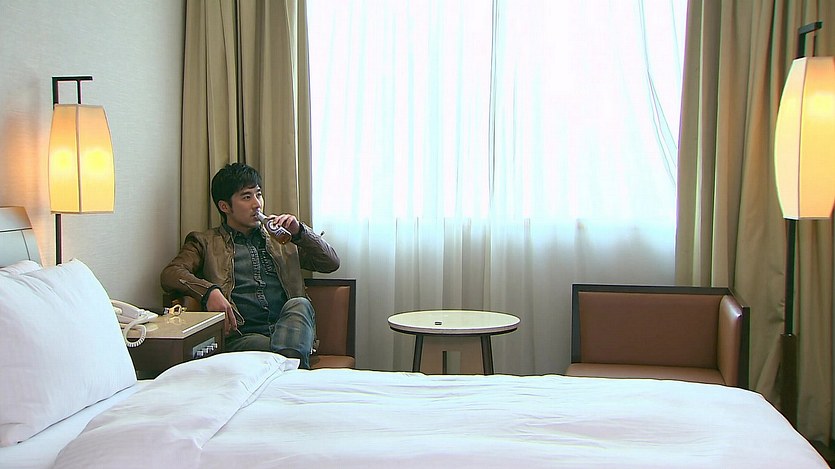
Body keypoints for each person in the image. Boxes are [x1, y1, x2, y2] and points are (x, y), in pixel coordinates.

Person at [160, 163, 340, 369]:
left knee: (299, 304)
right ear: (225, 206)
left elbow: (330, 263)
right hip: (243, 337)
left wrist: (300, 232)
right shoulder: (205, 242)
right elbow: (170, 274)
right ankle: (293, 366)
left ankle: (287, 362)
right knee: (282, 352)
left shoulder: (281, 239)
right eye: (247, 197)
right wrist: (209, 292)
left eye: (258, 195)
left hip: (289, 329)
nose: (257, 204)